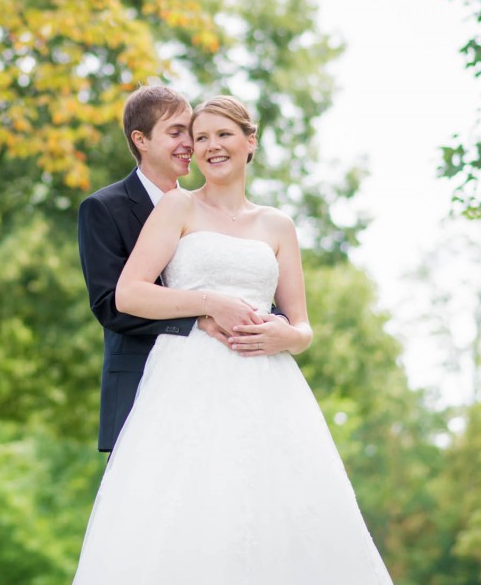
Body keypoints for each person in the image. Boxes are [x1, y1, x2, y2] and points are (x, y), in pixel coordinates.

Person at [72, 96, 393, 584]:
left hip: (268, 383)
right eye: (199, 137)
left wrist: (286, 335)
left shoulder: (278, 225)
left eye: (221, 135)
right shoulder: (178, 205)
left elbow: (303, 327)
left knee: (280, 509)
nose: (207, 146)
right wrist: (208, 304)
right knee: (188, 506)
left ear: (250, 142)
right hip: (187, 378)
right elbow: (127, 295)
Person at [77, 85, 294, 454]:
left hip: (238, 378)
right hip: (146, 379)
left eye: (190, 134)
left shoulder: (207, 208)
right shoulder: (104, 208)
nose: (190, 145)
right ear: (140, 140)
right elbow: (110, 304)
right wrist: (201, 316)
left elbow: (236, 276)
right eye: (177, 133)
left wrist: (270, 326)